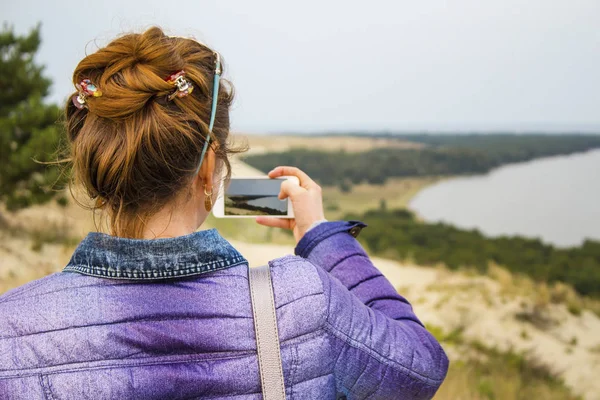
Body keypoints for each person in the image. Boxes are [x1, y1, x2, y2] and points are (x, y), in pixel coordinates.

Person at [0, 27, 448, 399]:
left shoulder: (11, 328)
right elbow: (420, 367)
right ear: (210, 166)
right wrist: (322, 236)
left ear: (99, 167)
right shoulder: (300, 301)